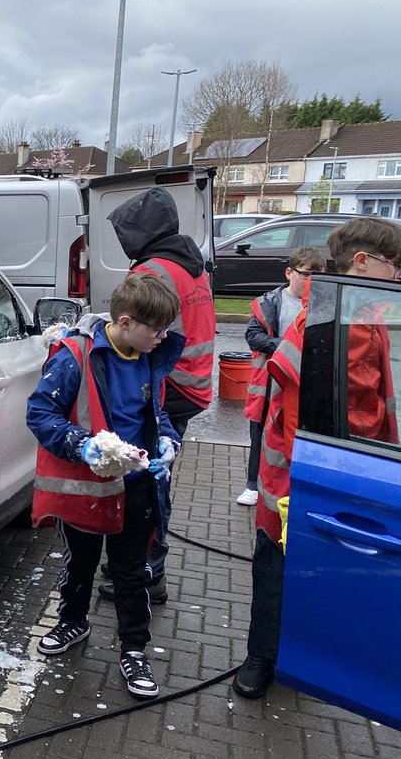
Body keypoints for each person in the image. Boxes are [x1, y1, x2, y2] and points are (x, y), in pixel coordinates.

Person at [234, 217, 401, 699]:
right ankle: (261, 655)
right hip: (296, 476)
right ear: (363, 262)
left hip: (341, 470)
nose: (397, 276)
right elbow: (304, 404)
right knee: (276, 563)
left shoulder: (365, 315)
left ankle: (301, 653)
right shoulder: (326, 321)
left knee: (317, 569)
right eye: (393, 265)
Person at [27, 273, 184, 699]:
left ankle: (134, 650)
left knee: (131, 571)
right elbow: (41, 414)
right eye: (157, 329)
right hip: (89, 486)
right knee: (80, 560)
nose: (163, 337)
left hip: (138, 487)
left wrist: (168, 438)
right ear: (127, 322)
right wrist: (83, 445)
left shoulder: (149, 355)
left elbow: (157, 412)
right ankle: (73, 621)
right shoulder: (74, 357)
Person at [98, 186, 216, 604]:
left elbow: (131, 340)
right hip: (194, 383)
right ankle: (144, 567)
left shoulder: (151, 271)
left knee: (147, 480)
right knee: (155, 474)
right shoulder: (190, 261)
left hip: (168, 384)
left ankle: (145, 572)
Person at [236, 247, 326, 507]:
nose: (310, 282)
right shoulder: (269, 302)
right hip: (268, 383)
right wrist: (288, 347)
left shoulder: (324, 306)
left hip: (302, 385)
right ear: (289, 273)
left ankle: (294, 487)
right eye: (306, 274)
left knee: (297, 438)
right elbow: (254, 336)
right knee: (260, 435)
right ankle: (253, 485)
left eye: (316, 276)